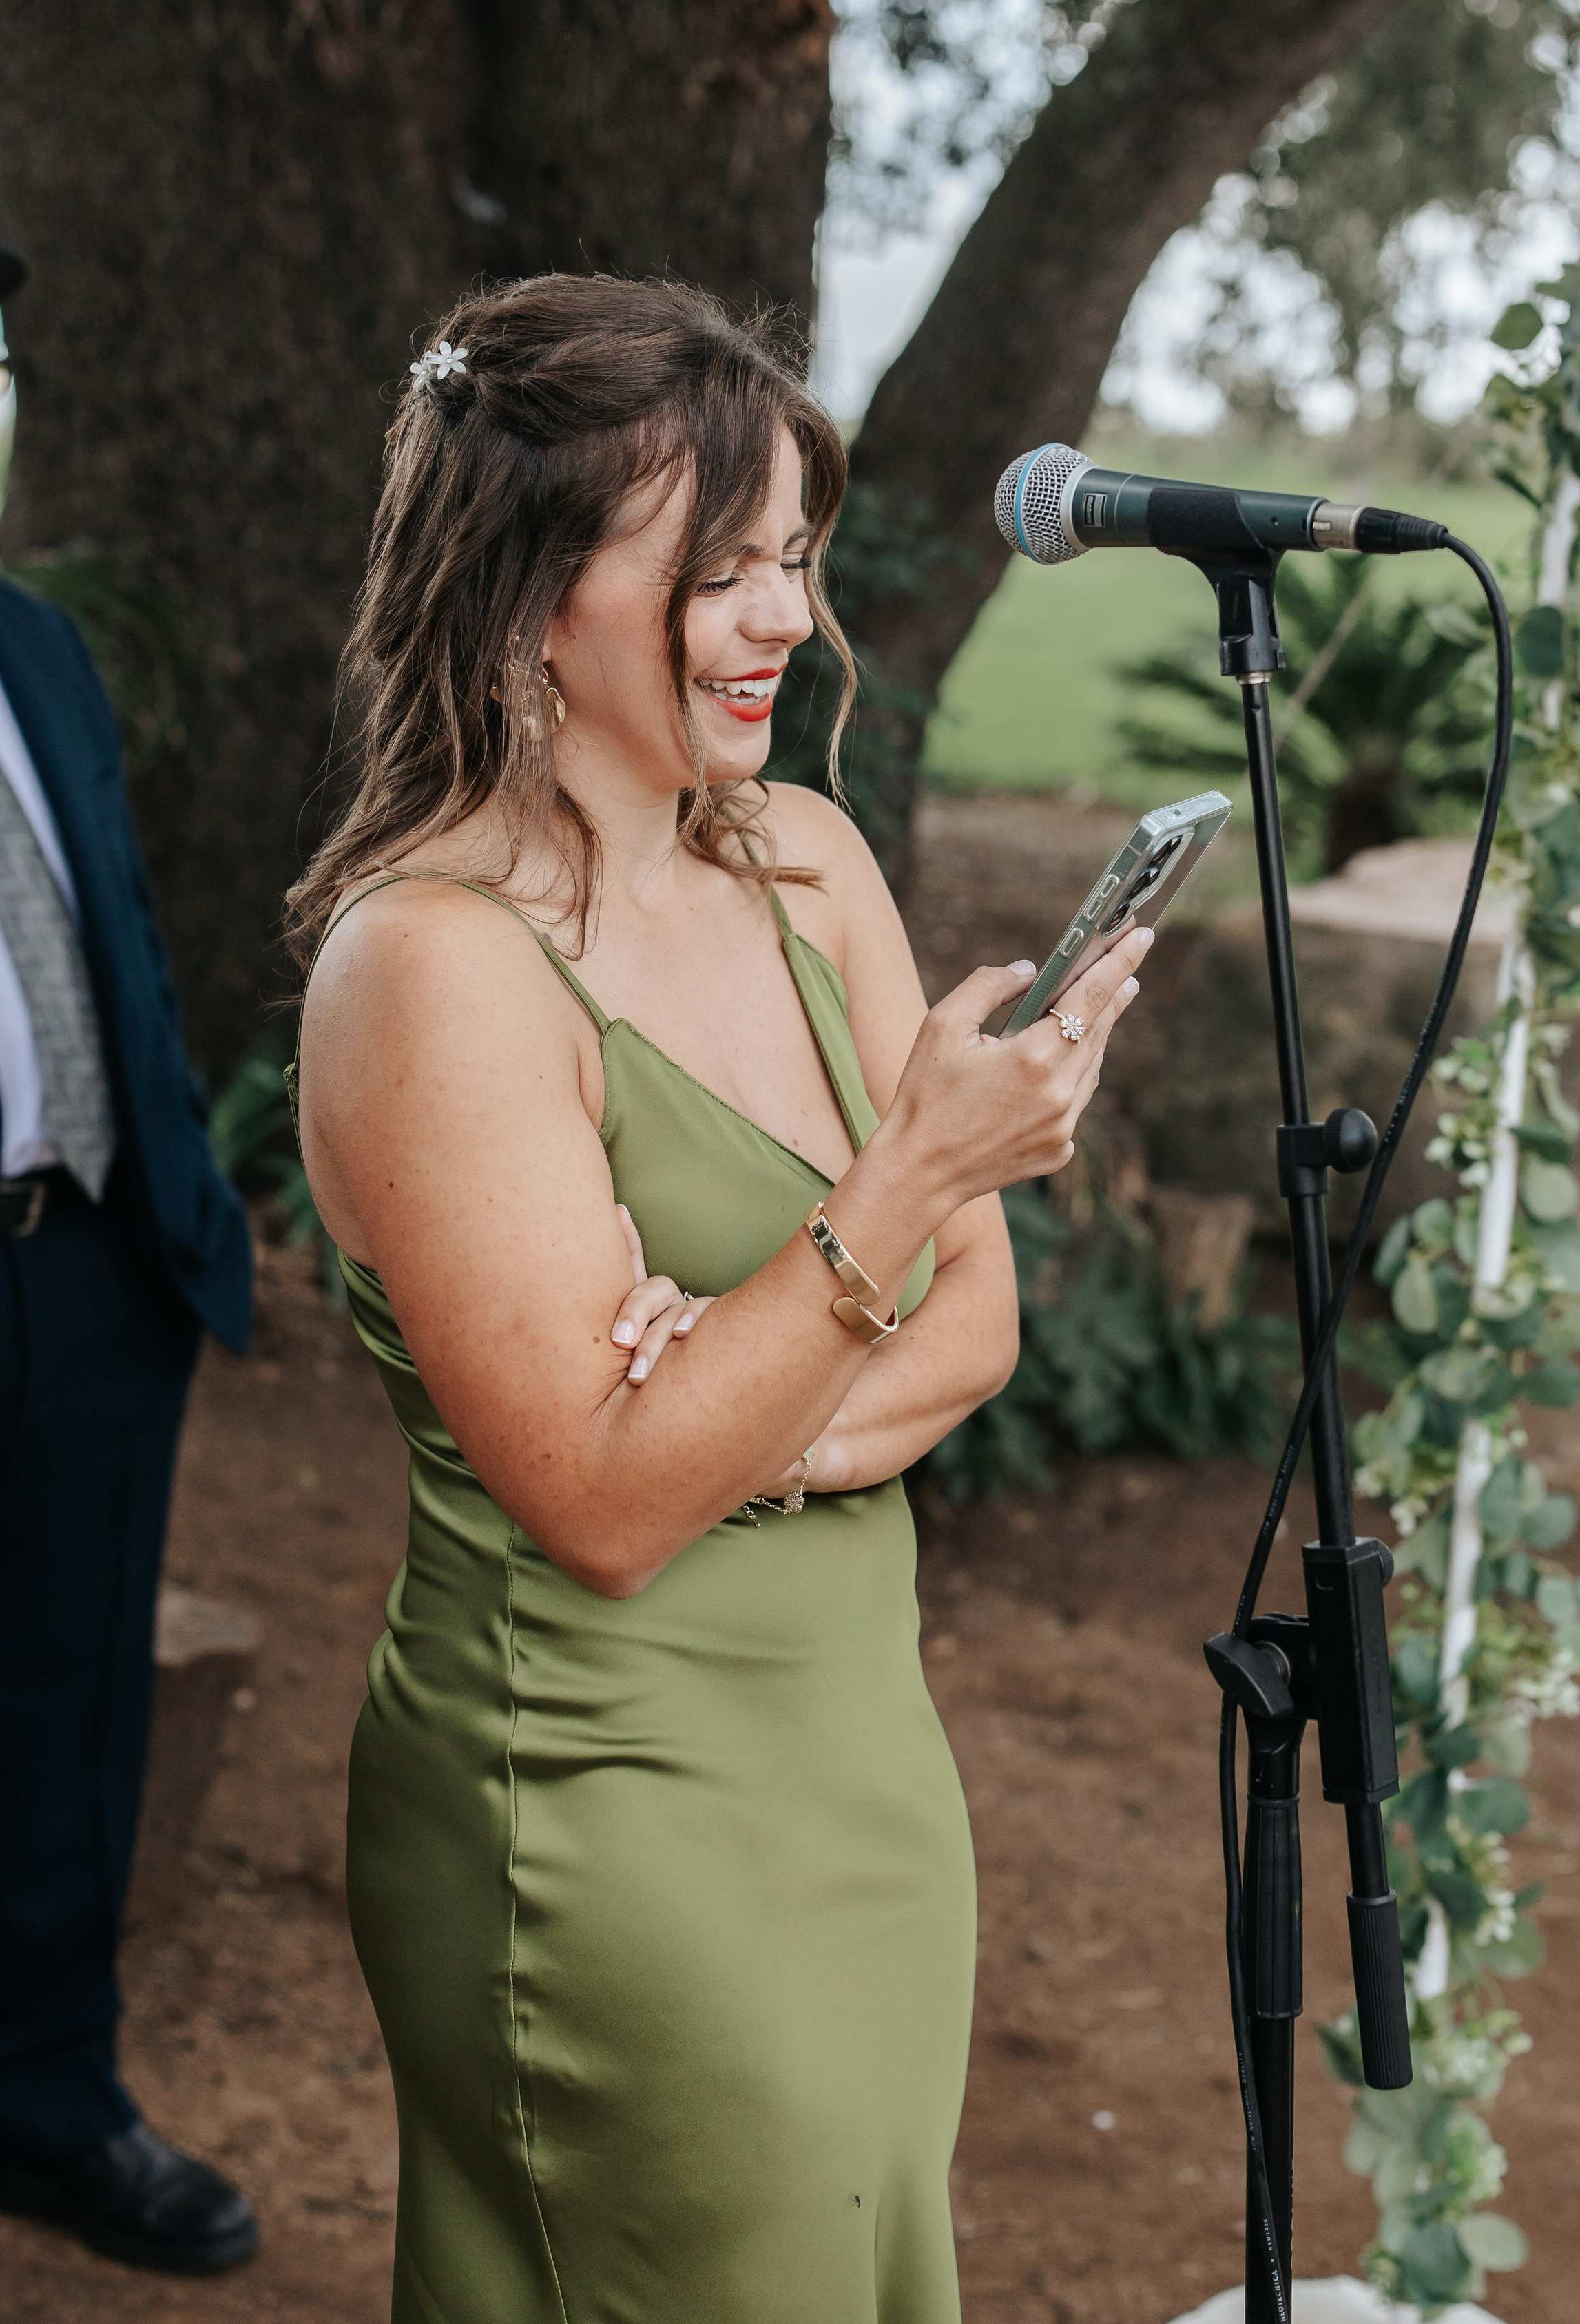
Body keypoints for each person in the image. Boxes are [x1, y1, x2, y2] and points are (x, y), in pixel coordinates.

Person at [289, 274, 1154, 2324]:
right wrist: (909, 1176)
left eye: (795, 561)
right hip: (602, 1812)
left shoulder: (810, 863)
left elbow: (978, 1332)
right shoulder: (433, 968)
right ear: (526, 596)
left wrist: (741, 1408)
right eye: (719, 570)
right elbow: (595, 1509)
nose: (787, 619)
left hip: (858, 1760)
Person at [0, 241, 258, 2273]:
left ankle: (46, 2107)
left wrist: (177, 1219)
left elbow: (118, 932)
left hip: (90, 1282)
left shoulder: (34, 643)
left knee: (66, 1736)